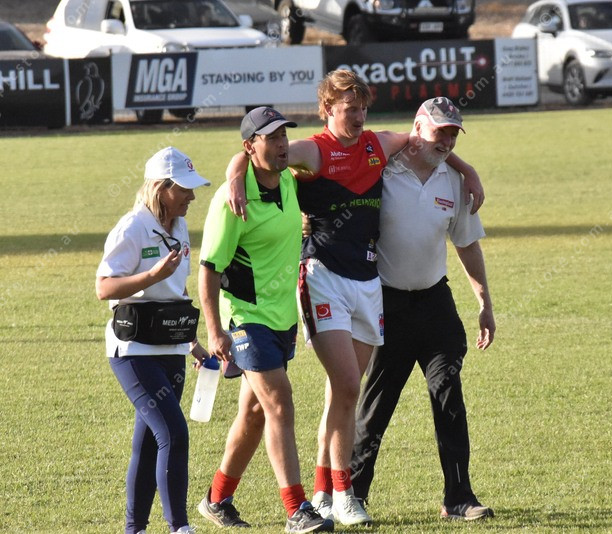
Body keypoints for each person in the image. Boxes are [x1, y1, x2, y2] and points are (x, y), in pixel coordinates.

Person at [224, 69, 485, 527]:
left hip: (368, 283)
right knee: (348, 386)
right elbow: (263, 153)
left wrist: (467, 169)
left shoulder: (378, 145)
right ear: (328, 109)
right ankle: (345, 492)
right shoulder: (313, 150)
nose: (359, 116)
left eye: (363, 108)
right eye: (350, 108)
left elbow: (431, 143)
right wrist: (233, 174)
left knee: (341, 394)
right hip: (324, 275)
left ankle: (326, 492)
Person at [350, 97, 495, 521]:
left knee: (449, 395)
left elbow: (466, 244)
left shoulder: (455, 180)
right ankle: (353, 494)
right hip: (386, 304)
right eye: (439, 132)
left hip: (435, 303)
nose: (447, 142)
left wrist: (484, 302)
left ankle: (459, 498)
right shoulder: (381, 167)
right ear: (417, 127)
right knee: (375, 407)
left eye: (453, 135)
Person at [197, 107, 333, 533]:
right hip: (245, 318)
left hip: (281, 317)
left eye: (283, 136)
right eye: (270, 138)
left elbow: (320, 155)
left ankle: (216, 499)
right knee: (279, 404)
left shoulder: (289, 180)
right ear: (250, 146)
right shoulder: (231, 201)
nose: (281, 144)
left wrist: (239, 165)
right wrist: (215, 330)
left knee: (255, 413)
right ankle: (296, 510)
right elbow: (209, 270)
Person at [96, 146, 211, 534]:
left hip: (171, 348)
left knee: (148, 442)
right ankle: (180, 527)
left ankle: (135, 529)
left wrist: (192, 344)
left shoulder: (179, 226)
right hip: (133, 350)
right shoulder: (132, 227)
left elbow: (176, 293)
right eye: (184, 189)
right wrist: (151, 276)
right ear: (162, 188)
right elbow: (104, 287)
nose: (192, 196)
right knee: (174, 434)